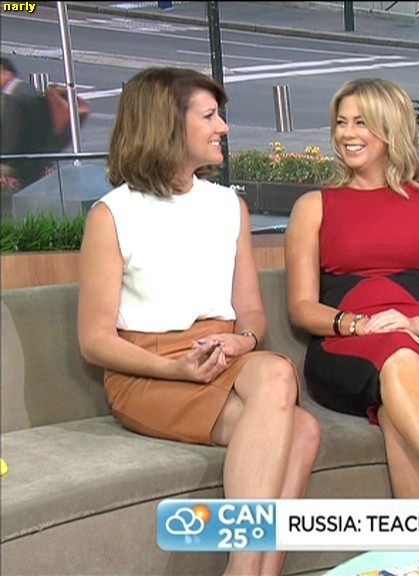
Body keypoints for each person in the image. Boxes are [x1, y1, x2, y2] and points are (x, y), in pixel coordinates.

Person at [77, 67, 321, 576]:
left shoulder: (228, 205)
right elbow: (94, 341)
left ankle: (248, 571)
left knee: (291, 402)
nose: (223, 128)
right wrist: (176, 369)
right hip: (148, 370)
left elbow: (251, 313)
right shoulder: (112, 214)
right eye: (209, 116)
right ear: (169, 125)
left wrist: (242, 341)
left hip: (221, 356)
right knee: (297, 426)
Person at [285, 78, 419, 499]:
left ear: (390, 128)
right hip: (344, 348)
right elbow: (301, 307)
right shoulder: (313, 207)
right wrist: (357, 324)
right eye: (341, 122)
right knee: (398, 358)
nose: (347, 134)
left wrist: (417, 322)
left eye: (361, 122)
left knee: (399, 396)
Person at [0, 57, 52, 188]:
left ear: (7, 73)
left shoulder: (15, 97)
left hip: (19, 166)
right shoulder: (27, 91)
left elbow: (12, 136)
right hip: (33, 162)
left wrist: (6, 164)